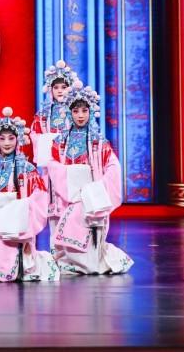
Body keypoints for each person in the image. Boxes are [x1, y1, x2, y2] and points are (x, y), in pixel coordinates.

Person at [47, 81, 134, 275]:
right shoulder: (60, 142)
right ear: (69, 112)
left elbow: (113, 165)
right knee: (70, 220)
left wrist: (98, 187)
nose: (80, 115)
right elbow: (53, 165)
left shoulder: (98, 141)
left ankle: (92, 263)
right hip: (69, 194)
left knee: (87, 223)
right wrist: (69, 178)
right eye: (76, 111)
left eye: (84, 111)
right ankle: (73, 262)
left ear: (90, 112)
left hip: (92, 195)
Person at [0, 108, 59, 282]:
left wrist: (20, 209)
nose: (7, 143)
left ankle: (7, 269)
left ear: (18, 139)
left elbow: (39, 197)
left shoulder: (27, 168)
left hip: (18, 222)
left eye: (11, 138)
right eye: (2, 138)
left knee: (6, 233)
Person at [29, 60, 79, 251]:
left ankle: (70, 247)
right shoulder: (43, 114)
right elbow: (34, 134)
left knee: (70, 206)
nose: (60, 91)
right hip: (50, 168)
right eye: (56, 87)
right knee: (52, 208)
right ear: (50, 90)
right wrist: (48, 143)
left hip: (69, 166)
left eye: (63, 87)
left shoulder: (76, 111)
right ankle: (54, 247)